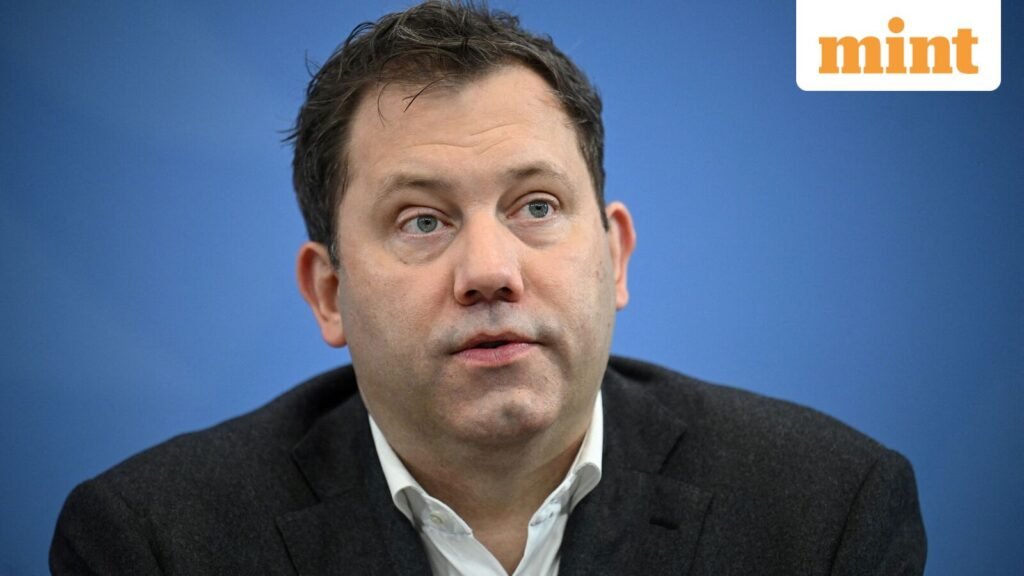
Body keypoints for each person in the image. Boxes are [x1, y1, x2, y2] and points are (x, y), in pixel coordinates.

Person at [50, 2, 926, 574]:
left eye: (536, 206)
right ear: (329, 292)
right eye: (421, 221)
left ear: (615, 256)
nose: (490, 272)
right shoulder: (154, 542)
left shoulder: (823, 512)